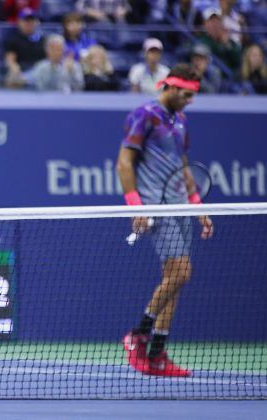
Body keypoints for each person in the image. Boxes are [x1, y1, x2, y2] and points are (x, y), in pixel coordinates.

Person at [117, 63, 214, 378]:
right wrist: (136, 207)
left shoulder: (181, 121)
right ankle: (138, 334)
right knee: (183, 273)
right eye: (185, 95)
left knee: (174, 280)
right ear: (170, 87)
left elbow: (182, 166)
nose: (189, 101)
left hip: (181, 207)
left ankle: (157, 353)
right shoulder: (144, 115)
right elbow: (124, 163)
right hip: (156, 207)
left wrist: (198, 207)